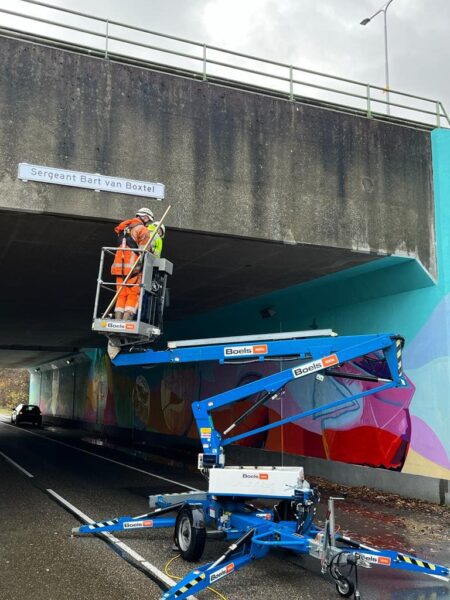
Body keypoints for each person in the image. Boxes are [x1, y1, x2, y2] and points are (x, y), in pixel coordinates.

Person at [111, 207, 153, 320]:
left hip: (118, 268)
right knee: (133, 295)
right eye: (148, 220)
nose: (148, 223)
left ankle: (118, 319)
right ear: (144, 217)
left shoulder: (123, 229)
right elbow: (144, 251)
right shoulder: (142, 230)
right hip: (133, 268)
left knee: (121, 295)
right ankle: (125, 320)